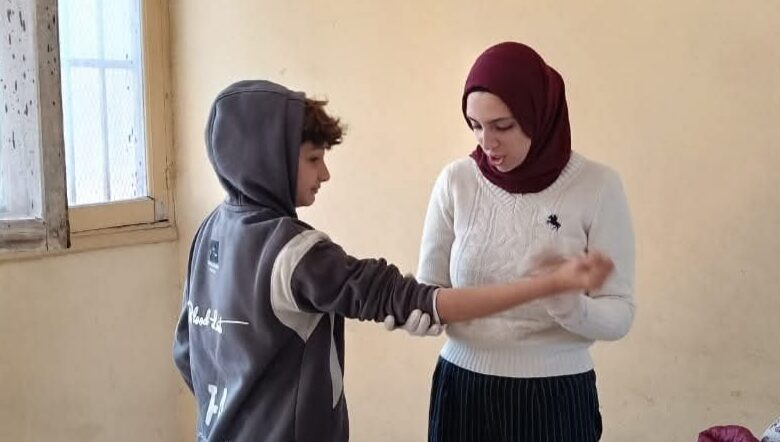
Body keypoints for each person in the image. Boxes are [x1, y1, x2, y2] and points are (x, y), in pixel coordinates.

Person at [172, 79, 614, 442]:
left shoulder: (209, 231)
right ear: (267, 160)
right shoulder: (297, 255)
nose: (324, 174)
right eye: (313, 159)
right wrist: (547, 284)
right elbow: (422, 300)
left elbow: (187, 352)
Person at [405, 42, 636, 442]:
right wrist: (419, 313)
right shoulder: (457, 181)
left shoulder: (597, 186)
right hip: (463, 390)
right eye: (475, 125)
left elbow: (620, 313)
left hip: (556, 397)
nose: (486, 142)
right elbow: (432, 290)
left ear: (538, 114)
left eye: (503, 126)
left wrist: (570, 307)